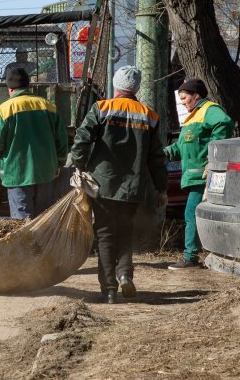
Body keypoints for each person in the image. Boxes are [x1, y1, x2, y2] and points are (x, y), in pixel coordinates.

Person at [70, 66, 167, 304]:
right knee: (125, 233)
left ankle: (110, 289)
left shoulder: (101, 108)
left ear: (116, 85)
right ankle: (125, 275)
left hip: (103, 185)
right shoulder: (150, 115)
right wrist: (161, 188)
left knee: (104, 235)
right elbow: (156, 158)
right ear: (136, 87)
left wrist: (79, 166)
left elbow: (82, 139)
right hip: (134, 187)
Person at [164, 78, 234, 270]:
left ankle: (190, 257)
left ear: (196, 96)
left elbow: (225, 122)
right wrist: (161, 153)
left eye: (184, 98)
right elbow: (183, 147)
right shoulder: (193, 116)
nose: (182, 102)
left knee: (191, 214)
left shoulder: (209, 110)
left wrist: (214, 158)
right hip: (195, 177)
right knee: (198, 214)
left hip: (203, 177)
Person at [0, 68, 68, 219]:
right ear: (28, 85)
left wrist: (4, 153)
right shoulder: (48, 106)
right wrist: (59, 162)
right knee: (43, 220)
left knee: (22, 224)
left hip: (17, 173)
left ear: (9, 88)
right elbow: (62, 140)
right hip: (46, 173)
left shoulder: (4, 110)